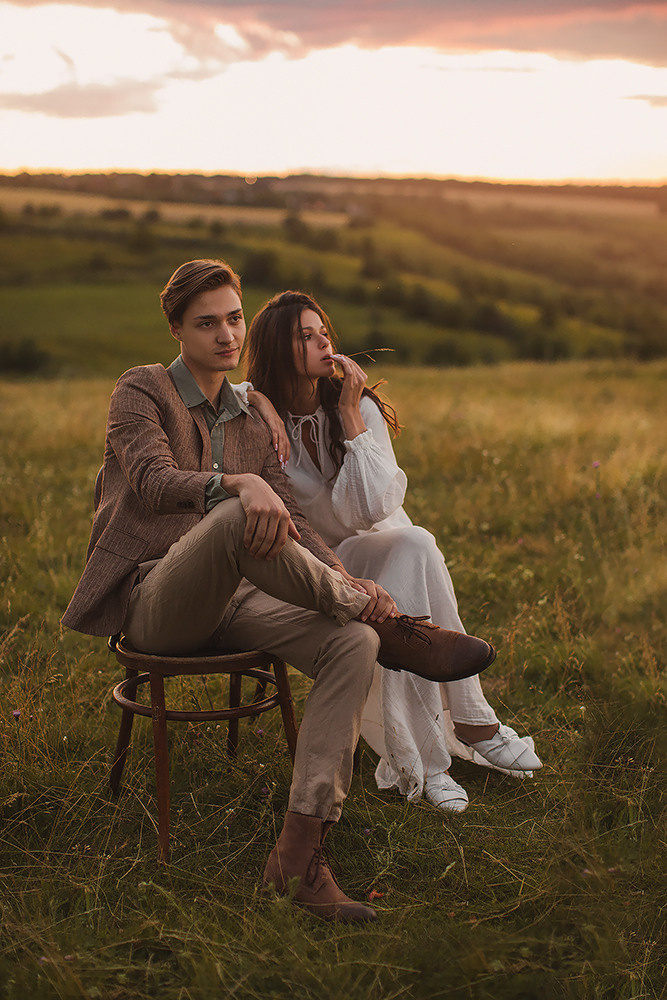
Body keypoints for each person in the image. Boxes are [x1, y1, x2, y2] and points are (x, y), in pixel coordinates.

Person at [61, 259, 497, 923]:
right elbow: (151, 481)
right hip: (156, 599)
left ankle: (300, 857)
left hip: (239, 602)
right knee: (241, 514)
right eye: (206, 323)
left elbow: (291, 521)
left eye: (234, 318)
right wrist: (237, 484)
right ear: (176, 328)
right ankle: (395, 629)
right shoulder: (141, 390)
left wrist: (347, 579)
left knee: (350, 643)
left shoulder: (246, 416)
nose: (226, 334)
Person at [242, 290, 541, 814]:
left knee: (411, 544)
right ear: (274, 348)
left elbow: (371, 509)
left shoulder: (355, 407)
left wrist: (352, 419)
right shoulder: (255, 415)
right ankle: (464, 723)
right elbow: (225, 390)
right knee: (414, 546)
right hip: (312, 567)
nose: (322, 342)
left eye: (323, 332)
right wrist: (259, 400)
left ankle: (434, 749)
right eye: (303, 335)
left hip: (380, 547)